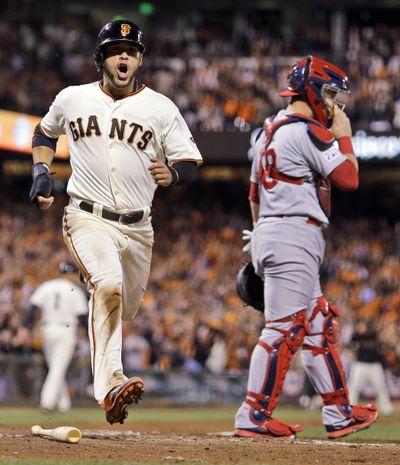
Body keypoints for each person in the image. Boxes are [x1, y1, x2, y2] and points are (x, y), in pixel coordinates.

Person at [28, 19, 203, 424]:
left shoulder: (160, 107)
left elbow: (190, 162)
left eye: (131, 50)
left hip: (139, 227)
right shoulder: (73, 98)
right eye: (115, 49)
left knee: (126, 304)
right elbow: (44, 132)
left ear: (139, 59)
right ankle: (110, 385)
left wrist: (174, 174)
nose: (124, 55)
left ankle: (111, 368)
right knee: (107, 284)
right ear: (101, 57)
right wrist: (41, 171)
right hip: (86, 216)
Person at [234, 55, 378, 440]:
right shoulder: (306, 130)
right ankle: (253, 413)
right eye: (330, 92)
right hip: (293, 234)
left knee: (319, 326)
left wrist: (263, 233)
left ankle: (338, 413)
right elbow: (349, 178)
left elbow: (253, 195)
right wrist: (344, 134)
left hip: (275, 229)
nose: (333, 102)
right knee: (283, 329)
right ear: (312, 90)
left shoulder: (268, 131)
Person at [25, 261, 88, 412]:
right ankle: (47, 402)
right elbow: (82, 318)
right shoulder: (75, 290)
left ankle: (64, 404)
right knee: (57, 368)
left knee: (55, 366)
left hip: (47, 329)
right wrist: (89, 335)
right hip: (66, 331)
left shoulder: (47, 286)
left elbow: (32, 308)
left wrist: (24, 327)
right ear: (72, 274)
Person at [348, 318, 393, 416]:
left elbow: (380, 338)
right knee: (354, 387)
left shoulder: (375, 334)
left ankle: (386, 408)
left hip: (374, 365)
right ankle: (350, 408)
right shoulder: (359, 335)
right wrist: (358, 330)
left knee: (381, 387)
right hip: (360, 364)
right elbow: (352, 339)